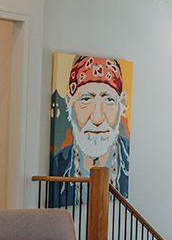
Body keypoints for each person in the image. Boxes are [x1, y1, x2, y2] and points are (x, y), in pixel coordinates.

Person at [48, 55, 130, 205]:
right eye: (86, 99)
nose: (97, 118)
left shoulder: (131, 161)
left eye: (109, 100)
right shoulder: (58, 165)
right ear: (69, 103)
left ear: (122, 103)